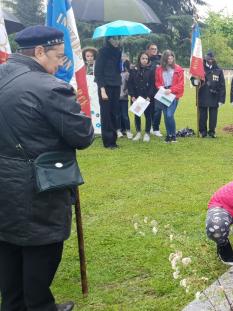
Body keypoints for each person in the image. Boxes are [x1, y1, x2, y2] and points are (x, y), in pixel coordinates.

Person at [0, 25, 94, 311]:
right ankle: (40, 306)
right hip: (36, 186)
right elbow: (83, 136)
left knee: (8, 245)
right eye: (58, 57)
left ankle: (14, 304)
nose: (59, 65)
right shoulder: (49, 87)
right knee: (41, 247)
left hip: (5, 182)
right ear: (39, 52)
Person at [94, 35, 123, 149]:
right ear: (108, 40)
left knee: (115, 113)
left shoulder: (118, 52)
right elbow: (98, 72)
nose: (116, 41)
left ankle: (114, 140)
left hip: (116, 84)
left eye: (118, 39)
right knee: (106, 113)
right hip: (105, 86)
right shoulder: (102, 52)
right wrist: (102, 90)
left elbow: (118, 70)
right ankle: (108, 141)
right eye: (114, 39)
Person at [191, 50, 225, 138]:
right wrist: (195, 81)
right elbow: (193, 79)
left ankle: (212, 131)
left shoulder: (218, 70)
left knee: (213, 116)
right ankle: (203, 131)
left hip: (214, 96)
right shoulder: (199, 69)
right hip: (202, 95)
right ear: (205, 59)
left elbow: (222, 86)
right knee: (202, 115)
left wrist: (221, 100)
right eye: (208, 59)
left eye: (211, 59)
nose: (210, 61)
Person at [154, 49, 184, 143]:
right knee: (166, 116)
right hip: (163, 93)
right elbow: (157, 82)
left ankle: (173, 135)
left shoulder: (178, 69)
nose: (170, 60)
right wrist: (161, 88)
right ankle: (169, 135)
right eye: (168, 58)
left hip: (173, 94)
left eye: (171, 58)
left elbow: (181, 84)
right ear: (164, 59)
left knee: (169, 114)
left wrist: (171, 90)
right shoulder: (159, 69)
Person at [128, 52, 156, 142]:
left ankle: (147, 133)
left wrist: (149, 96)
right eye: (143, 58)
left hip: (146, 97)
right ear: (139, 59)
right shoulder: (133, 70)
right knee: (137, 115)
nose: (145, 60)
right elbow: (130, 84)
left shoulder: (151, 70)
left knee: (148, 116)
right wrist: (132, 95)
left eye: (146, 59)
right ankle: (138, 132)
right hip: (136, 97)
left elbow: (152, 85)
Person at [146, 43, 162, 137]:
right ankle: (149, 127)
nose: (154, 50)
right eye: (152, 49)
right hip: (147, 89)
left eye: (155, 49)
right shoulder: (145, 59)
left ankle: (156, 128)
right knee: (149, 109)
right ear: (148, 50)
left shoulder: (160, 60)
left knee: (158, 109)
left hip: (158, 88)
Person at [116, 59, 132, 139]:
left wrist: (126, 92)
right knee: (117, 115)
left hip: (124, 98)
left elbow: (130, 85)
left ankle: (128, 130)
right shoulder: (114, 74)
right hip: (115, 98)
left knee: (125, 115)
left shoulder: (127, 74)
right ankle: (118, 130)